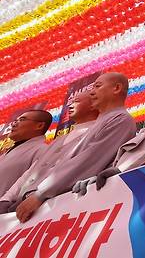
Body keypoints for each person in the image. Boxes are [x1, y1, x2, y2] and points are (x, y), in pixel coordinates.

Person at [6, 73, 136, 222]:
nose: (92, 92)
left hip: (62, 203)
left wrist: (41, 193)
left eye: (97, 86)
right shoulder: (102, 122)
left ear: (116, 88)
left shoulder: (120, 120)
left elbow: (87, 160)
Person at [0, 110, 51, 197]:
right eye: (15, 121)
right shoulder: (8, 152)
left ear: (39, 125)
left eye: (22, 120)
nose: (13, 124)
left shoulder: (43, 150)